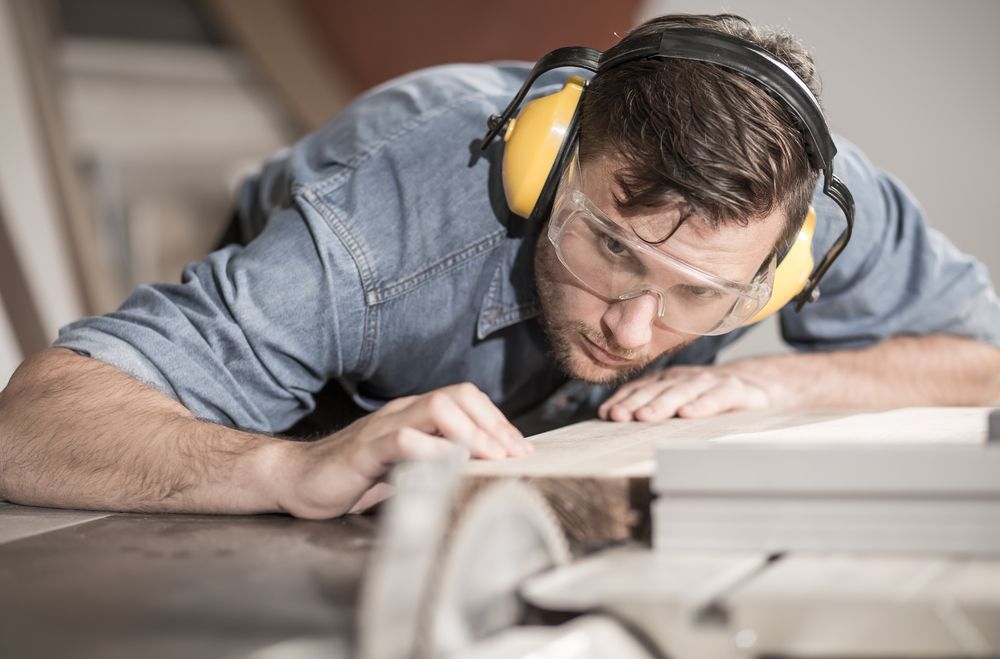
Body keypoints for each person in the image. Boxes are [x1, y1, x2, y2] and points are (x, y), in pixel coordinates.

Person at [1, 14, 997, 519]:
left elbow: (980, 359)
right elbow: (31, 426)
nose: (635, 332)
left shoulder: (812, 205)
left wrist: (774, 377)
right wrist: (291, 465)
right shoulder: (385, 225)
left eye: (701, 291)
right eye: (610, 248)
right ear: (545, 169)